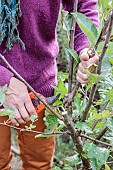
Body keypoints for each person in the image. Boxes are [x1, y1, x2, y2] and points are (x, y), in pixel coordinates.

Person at [0, 0, 99, 169]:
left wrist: (86, 50)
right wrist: (3, 80)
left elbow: (83, 5)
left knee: (39, 164)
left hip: (42, 88)